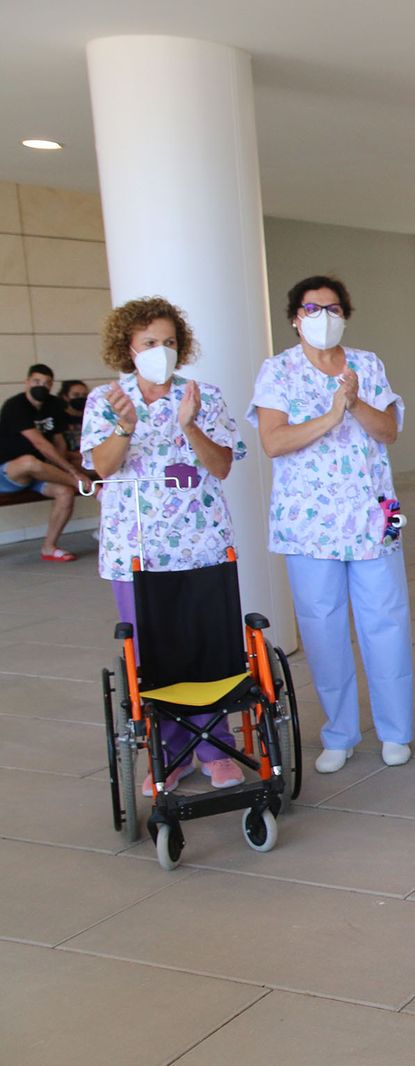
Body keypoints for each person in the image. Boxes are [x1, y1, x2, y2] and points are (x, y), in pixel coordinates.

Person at [81, 297, 248, 794]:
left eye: (169, 342)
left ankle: (215, 746)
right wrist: (126, 428)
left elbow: (221, 466)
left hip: (201, 544)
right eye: (150, 342)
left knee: (207, 647)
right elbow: (102, 468)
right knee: (152, 655)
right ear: (128, 347)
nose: (161, 351)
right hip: (136, 548)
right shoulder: (106, 400)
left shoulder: (204, 395)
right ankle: (170, 751)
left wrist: (189, 422)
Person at [249, 275, 413, 774]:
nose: (324, 316)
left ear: (346, 313)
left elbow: (387, 431)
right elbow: (274, 442)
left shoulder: (366, 365)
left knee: (384, 625)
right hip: (309, 524)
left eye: (333, 307)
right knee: (323, 630)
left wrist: (356, 402)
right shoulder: (277, 371)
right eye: (313, 308)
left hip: (370, 516)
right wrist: (331, 413)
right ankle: (339, 734)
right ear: (295, 317)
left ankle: (394, 731)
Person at [0, 363, 85, 561]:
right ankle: (82, 484)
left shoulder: (53, 405)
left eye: (47, 383)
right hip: (8, 472)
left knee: (64, 492)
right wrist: (73, 472)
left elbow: (58, 441)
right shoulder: (15, 406)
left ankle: (49, 547)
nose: (42, 386)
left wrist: (61, 463)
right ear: (27, 382)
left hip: (37, 473)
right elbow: (39, 442)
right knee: (29, 462)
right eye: (37, 381)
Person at [56, 379, 88, 460]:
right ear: (65, 397)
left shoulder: (91, 417)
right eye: (76, 395)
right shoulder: (58, 417)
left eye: (84, 395)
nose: (81, 398)